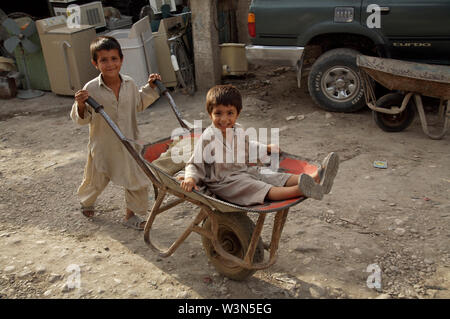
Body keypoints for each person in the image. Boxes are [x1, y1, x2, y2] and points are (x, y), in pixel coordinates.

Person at [176, 84, 339, 206]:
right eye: (218, 113)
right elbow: (194, 163)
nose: (224, 119)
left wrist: (265, 148)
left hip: (244, 170)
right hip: (224, 181)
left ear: (238, 114)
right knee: (257, 187)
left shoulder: (238, 131)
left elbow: (249, 146)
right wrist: (190, 178)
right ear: (210, 114)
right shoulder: (208, 137)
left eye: (230, 113)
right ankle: (301, 189)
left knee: (270, 175)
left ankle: (316, 177)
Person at [70, 36, 162, 230]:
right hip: (104, 146)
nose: (110, 64)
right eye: (103, 60)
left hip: (129, 143)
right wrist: (80, 104)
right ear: (95, 63)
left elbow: (138, 103)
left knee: (136, 179)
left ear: (121, 60)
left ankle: (131, 215)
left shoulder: (128, 83)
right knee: (96, 179)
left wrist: (151, 87)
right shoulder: (91, 88)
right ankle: (87, 201)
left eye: (114, 58)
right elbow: (82, 118)